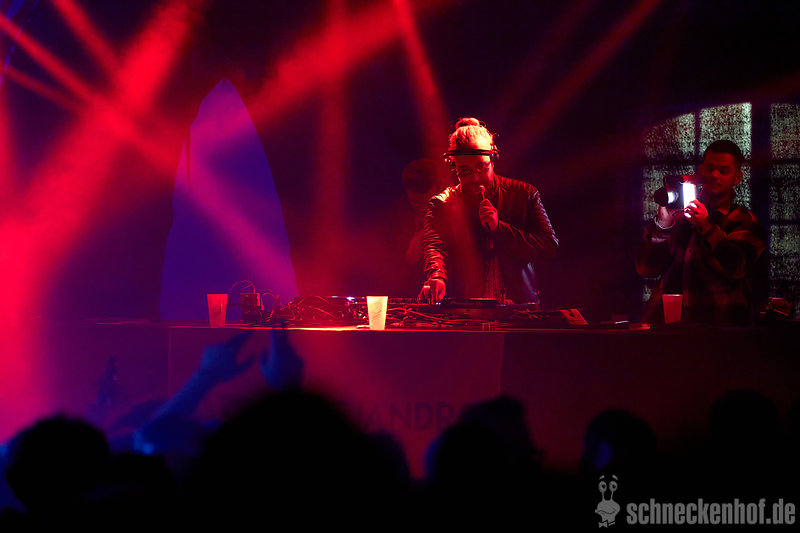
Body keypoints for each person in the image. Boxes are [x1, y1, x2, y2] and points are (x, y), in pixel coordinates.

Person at [419, 118, 558, 304]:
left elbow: (549, 248)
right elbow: (434, 246)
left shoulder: (525, 194)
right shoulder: (441, 204)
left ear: (493, 159)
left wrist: (499, 228)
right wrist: (436, 276)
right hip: (464, 308)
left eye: (481, 167)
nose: (475, 178)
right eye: (465, 171)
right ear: (454, 166)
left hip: (519, 307)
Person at [636, 140, 766, 325]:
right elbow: (646, 269)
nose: (714, 175)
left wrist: (706, 225)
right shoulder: (680, 215)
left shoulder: (743, 220)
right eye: (709, 168)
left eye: (723, 170)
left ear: (737, 177)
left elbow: (737, 267)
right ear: (700, 170)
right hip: (665, 326)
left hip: (717, 327)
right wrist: (663, 225)